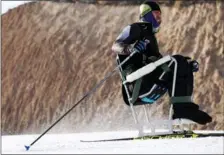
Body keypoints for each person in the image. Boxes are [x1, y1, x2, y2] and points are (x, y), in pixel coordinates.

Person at [111, 0, 212, 125]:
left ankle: (185, 109)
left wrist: (186, 68)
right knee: (178, 60)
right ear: (146, 14)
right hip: (136, 86)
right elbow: (116, 46)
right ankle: (181, 110)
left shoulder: (151, 38)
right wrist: (131, 48)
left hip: (148, 81)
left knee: (184, 64)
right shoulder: (135, 28)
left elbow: (159, 62)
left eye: (160, 15)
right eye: (156, 14)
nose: (159, 18)